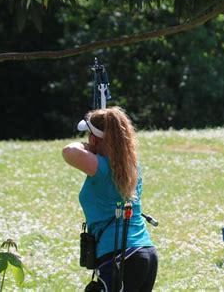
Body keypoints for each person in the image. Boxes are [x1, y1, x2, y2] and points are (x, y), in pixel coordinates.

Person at [62, 106, 158, 292]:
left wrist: (89, 147)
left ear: (93, 139)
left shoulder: (102, 169)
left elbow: (69, 151)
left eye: (89, 136)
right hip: (146, 252)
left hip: (120, 255)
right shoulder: (132, 168)